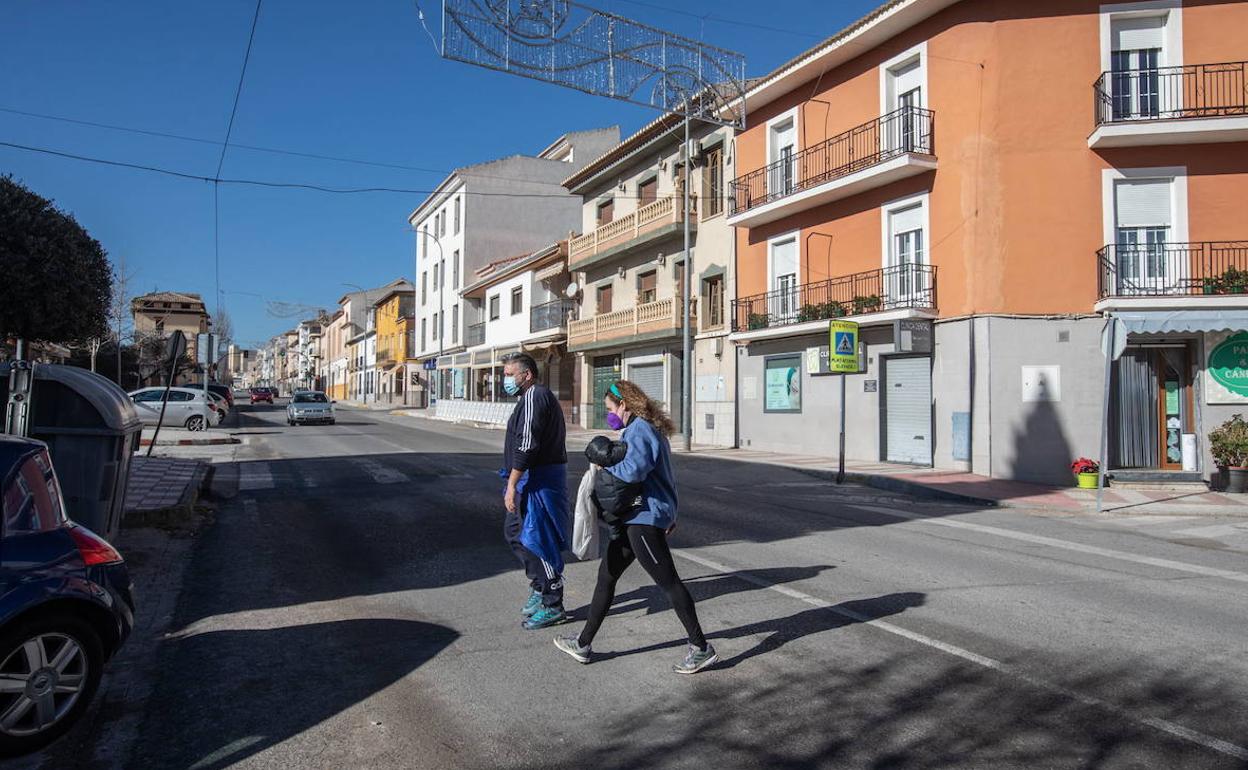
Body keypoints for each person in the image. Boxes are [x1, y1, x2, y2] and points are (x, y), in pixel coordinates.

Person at [554, 381, 718, 674]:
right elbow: (662, 476)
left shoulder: (641, 429)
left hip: (643, 519)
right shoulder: (640, 429)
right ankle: (583, 643)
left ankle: (701, 648)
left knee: (669, 583)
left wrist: (604, 465)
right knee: (606, 576)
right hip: (638, 517)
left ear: (624, 405)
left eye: (609, 409)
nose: (609, 415)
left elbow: (634, 472)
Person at [500, 352, 570, 630]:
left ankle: (553, 602)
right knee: (515, 533)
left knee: (538, 540)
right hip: (529, 478)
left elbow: (527, 444)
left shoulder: (534, 397)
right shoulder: (527, 398)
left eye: (509, 374)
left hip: (539, 479)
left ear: (526, 375)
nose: (505, 380)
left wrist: (512, 483)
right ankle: (540, 586)